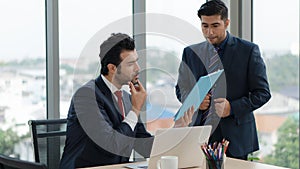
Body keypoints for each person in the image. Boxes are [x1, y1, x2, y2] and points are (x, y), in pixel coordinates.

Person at [59, 33, 194, 169]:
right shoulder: (87, 95)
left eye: (136, 61)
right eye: (130, 64)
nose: (137, 68)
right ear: (112, 68)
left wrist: (176, 128)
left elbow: (145, 147)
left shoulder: (127, 98)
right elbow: (111, 145)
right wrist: (135, 110)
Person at [175, 0, 271, 160]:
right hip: (200, 135)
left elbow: (263, 93)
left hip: (235, 137)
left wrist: (231, 108)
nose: (209, 32)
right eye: (205, 26)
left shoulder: (248, 51)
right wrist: (195, 101)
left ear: (226, 23)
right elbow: (180, 89)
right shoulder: (190, 53)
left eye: (215, 25)